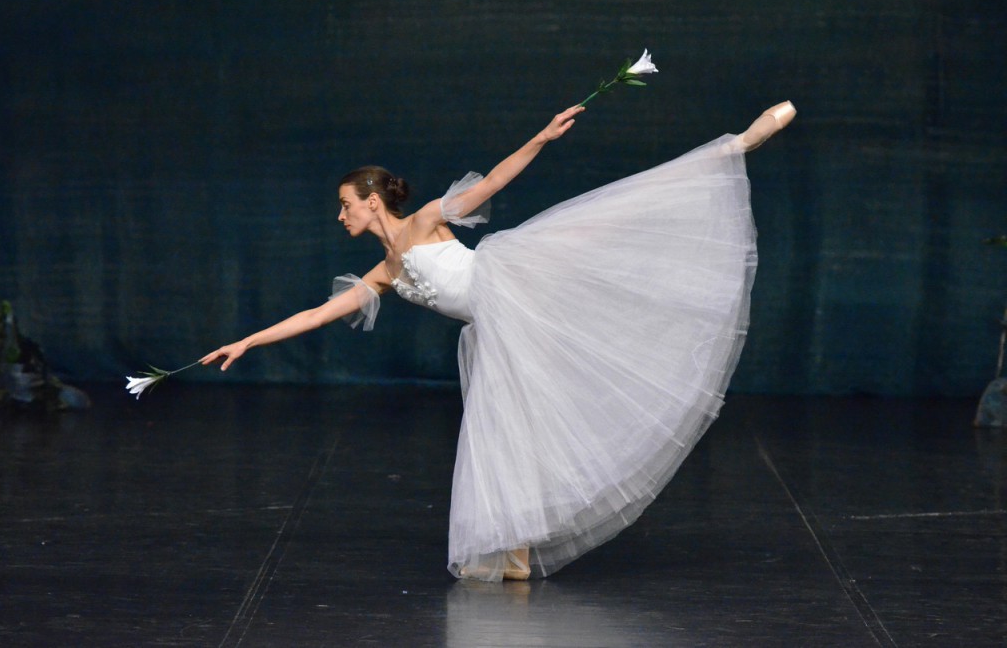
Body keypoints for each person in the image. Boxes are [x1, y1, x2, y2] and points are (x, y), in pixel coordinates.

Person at [201, 101, 796, 581]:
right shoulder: (383, 271)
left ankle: (730, 150)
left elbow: (491, 183)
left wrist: (542, 136)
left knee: (602, 226)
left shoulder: (426, 220)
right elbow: (316, 315)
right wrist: (248, 341)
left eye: (345, 206)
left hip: (512, 282)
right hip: (495, 328)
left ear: (372, 201)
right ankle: (516, 551)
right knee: (504, 432)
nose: (340, 217)